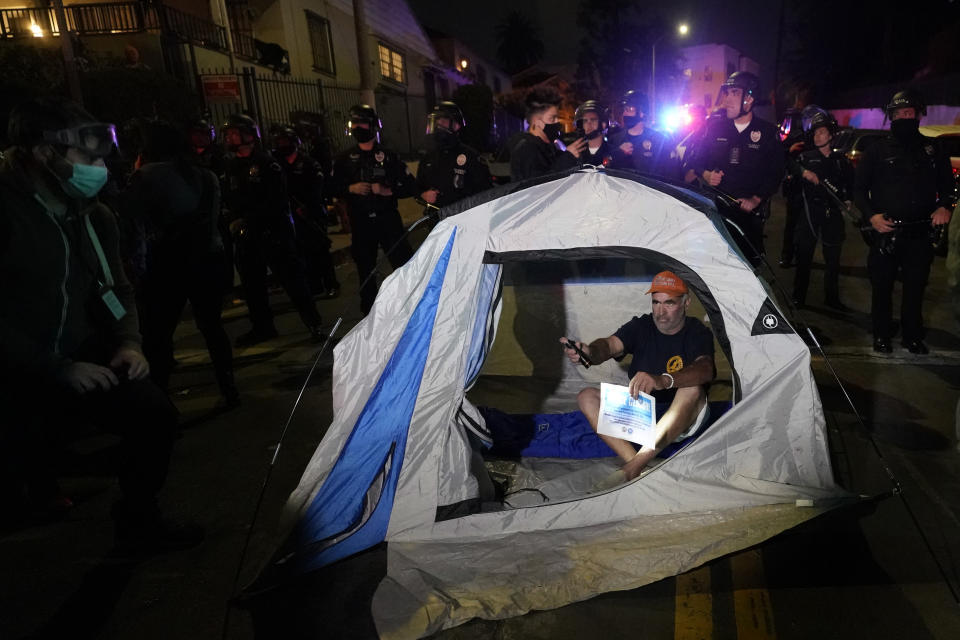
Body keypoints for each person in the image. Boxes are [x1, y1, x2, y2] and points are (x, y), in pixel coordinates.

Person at [0, 97, 201, 551]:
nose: (99, 168)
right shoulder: (8, 211)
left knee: (154, 416)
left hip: (78, 352)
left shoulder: (94, 214)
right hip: (16, 367)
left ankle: (138, 518)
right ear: (43, 153)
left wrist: (129, 344)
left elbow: (118, 288)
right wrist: (53, 368)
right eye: (87, 158)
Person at [120, 120, 238, 406]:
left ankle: (160, 402)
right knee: (212, 327)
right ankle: (229, 389)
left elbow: (133, 221)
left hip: (167, 264)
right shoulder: (206, 176)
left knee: (158, 335)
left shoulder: (146, 176)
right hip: (207, 260)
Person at [560, 271, 715, 480]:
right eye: (655, 303)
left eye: (669, 303)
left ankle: (633, 468)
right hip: (643, 416)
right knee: (587, 396)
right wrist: (589, 352)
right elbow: (608, 345)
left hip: (682, 418)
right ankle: (637, 465)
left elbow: (706, 369)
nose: (660, 312)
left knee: (693, 388)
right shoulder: (642, 325)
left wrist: (663, 380)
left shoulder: (696, 332)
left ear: (686, 303)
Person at [853, 89, 957, 354]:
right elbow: (858, 189)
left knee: (915, 288)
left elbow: (948, 185)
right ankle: (882, 334)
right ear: (891, 117)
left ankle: (912, 336)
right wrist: (871, 216)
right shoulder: (876, 150)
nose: (904, 118)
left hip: (920, 232)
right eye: (898, 114)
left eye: (909, 113)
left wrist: (945, 206)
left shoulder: (933, 150)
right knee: (882, 287)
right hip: (885, 231)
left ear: (919, 115)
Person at [221, 113, 324, 346]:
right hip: (247, 237)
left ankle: (313, 323)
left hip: (273, 233)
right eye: (228, 134)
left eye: (235, 133)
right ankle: (262, 327)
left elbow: (275, 201)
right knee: (252, 286)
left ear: (249, 135)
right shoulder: (230, 166)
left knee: (292, 280)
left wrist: (248, 219)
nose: (230, 138)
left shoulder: (268, 164)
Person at [685, 71, 785, 264]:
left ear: (749, 99)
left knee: (748, 267)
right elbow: (695, 161)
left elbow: (776, 172)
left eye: (734, 93)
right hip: (717, 212)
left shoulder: (768, 133)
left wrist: (756, 198)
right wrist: (705, 174)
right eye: (727, 93)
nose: (727, 99)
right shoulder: (714, 128)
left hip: (748, 218)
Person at [329, 104, 417, 315]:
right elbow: (329, 188)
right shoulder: (343, 159)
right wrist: (350, 188)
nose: (358, 127)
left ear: (373, 126)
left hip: (388, 220)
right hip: (361, 222)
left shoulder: (388, 156)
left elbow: (410, 185)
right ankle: (369, 314)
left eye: (363, 122)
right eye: (355, 123)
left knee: (403, 264)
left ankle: (413, 305)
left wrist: (388, 190)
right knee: (365, 269)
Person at [787, 110, 853, 310]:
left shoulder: (841, 161)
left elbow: (851, 185)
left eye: (822, 132)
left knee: (833, 261)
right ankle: (799, 297)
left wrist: (848, 200)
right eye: (815, 133)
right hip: (810, 213)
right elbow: (787, 164)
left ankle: (832, 298)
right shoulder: (805, 158)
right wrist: (803, 172)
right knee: (804, 257)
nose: (818, 136)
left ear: (831, 135)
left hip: (832, 214)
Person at [272, 124, 340, 299]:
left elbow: (317, 188)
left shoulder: (309, 163)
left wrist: (309, 207)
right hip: (291, 216)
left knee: (320, 251)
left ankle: (331, 284)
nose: (282, 145)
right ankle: (313, 286)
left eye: (285, 141)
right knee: (301, 253)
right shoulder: (277, 165)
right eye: (279, 142)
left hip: (312, 214)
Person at [417, 101, 491, 208]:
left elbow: (485, 193)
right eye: (436, 122)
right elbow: (418, 186)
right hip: (436, 218)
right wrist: (423, 195)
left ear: (456, 125)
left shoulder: (471, 156)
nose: (438, 126)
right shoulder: (428, 157)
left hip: (463, 219)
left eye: (443, 122)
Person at [509, 87, 586, 181]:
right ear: (537, 122)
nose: (557, 122)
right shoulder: (527, 148)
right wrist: (568, 157)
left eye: (557, 117)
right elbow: (535, 185)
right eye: (552, 118)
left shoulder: (548, 146)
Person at [607, 90, 669, 177]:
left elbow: (669, 173)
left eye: (630, 109)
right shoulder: (614, 139)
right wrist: (618, 153)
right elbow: (606, 168)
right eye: (625, 109)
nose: (625, 113)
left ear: (642, 113)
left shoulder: (659, 140)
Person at [778, 107, 805, 268]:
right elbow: (779, 156)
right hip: (794, 187)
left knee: (803, 227)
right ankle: (787, 255)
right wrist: (789, 150)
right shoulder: (790, 137)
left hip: (806, 187)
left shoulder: (807, 136)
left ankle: (797, 256)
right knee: (791, 225)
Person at [572, 99, 614, 166]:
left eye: (593, 120)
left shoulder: (614, 153)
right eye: (585, 121)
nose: (589, 124)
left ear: (603, 124)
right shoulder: (575, 153)